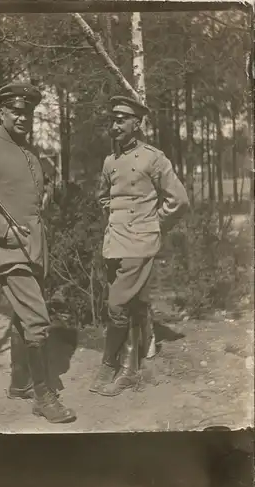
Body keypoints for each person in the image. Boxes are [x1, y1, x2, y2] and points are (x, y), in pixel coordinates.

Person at [0, 81, 76, 424]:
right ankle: (43, 397)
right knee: (37, 319)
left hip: (34, 251)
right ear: (2, 113)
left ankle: (20, 382)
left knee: (23, 317)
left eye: (28, 111)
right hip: (8, 252)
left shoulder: (30, 154)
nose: (23, 117)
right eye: (15, 111)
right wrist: (5, 230)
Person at [90, 95, 190, 397]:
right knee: (129, 309)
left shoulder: (153, 158)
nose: (115, 123)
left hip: (139, 244)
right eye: (113, 118)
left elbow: (179, 200)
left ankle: (109, 364)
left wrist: (152, 224)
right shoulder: (110, 161)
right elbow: (103, 197)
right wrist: (113, 219)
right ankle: (130, 372)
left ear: (137, 124)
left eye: (122, 118)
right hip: (114, 244)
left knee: (116, 306)